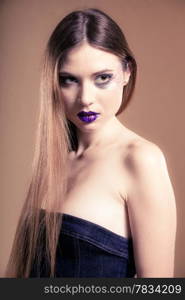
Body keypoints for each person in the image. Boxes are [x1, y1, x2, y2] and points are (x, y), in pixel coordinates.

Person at [5, 8, 177, 278]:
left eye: (102, 78)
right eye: (69, 80)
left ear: (127, 72)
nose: (85, 98)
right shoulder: (53, 159)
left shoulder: (141, 160)